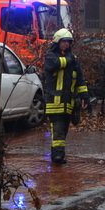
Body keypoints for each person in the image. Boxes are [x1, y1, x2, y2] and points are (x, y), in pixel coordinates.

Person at [42, 28, 89, 165]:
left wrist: (84, 95)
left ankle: (57, 154)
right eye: (64, 42)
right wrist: (70, 59)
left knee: (63, 131)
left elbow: (80, 79)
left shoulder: (73, 60)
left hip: (68, 103)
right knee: (58, 130)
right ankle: (57, 156)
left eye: (69, 42)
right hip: (54, 103)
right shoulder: (50, 56)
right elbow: (56, 64)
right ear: (57, 42)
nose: (66, 45)